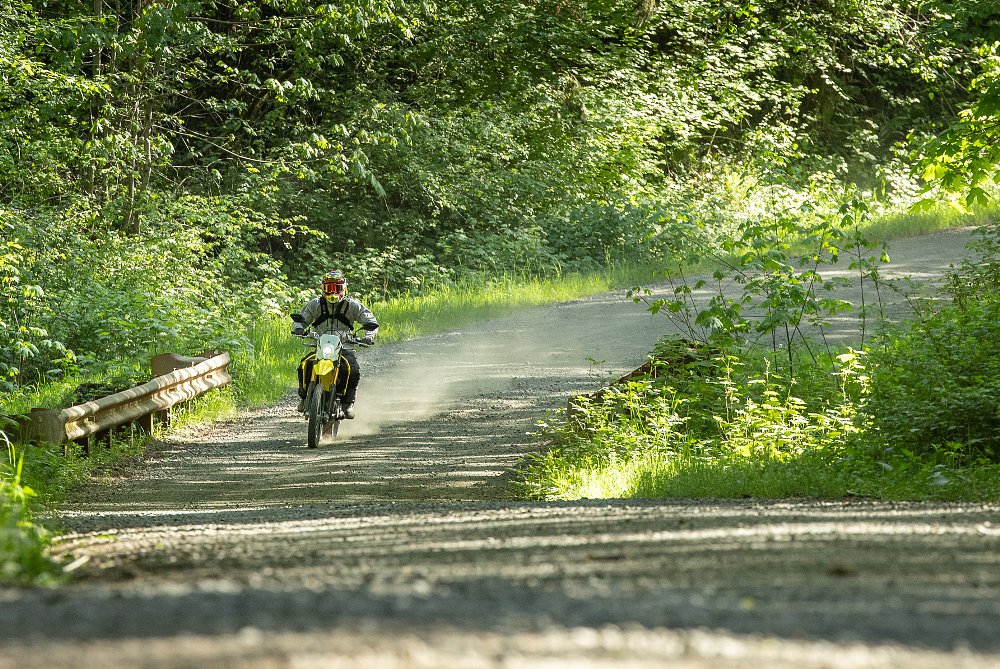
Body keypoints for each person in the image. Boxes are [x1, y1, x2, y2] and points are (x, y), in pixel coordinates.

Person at [291, 270, 379, 419]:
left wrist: (368, 337)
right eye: (328, 287)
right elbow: (300, 319)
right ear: (323, 289)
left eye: (336, 287)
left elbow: (371, 321)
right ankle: (304, 398)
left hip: (345, 346)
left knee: (353, 370)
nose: (332, 291)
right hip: (320, 346)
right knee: (304, 365)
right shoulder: (315, 304)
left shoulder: (353, 305)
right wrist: (298, 328)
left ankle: (348, 403)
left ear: (343, 288)